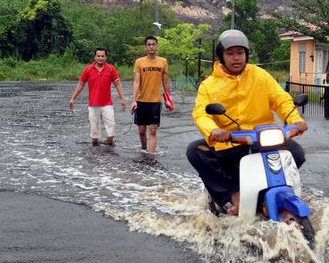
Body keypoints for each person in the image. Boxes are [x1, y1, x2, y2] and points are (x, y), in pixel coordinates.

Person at [186, 29, 308, 215]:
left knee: (296, 153)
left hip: (263, 141)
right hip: (230, 143)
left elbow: (281, 99)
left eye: (240, 53)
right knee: (195, 151)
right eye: (230, 53)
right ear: (222, 56)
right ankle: (231, 195)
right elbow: (201, 114)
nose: (236, 58)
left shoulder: (261, 75)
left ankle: (270, 194)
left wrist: (295, 120)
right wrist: (214, 131)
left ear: (246, 54)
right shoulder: (208, 85)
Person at [69, 47, 126, 146]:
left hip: (107, 103)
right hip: (93, 104)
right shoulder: (88, 69)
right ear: (95, 57)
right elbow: (81, 84)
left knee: (111, 128)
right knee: (94, 133)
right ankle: (95, 152)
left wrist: (122, 98)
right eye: (98, 56)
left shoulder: (111, 68)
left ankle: (109, 146)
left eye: (102, 56)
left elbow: (118, 84)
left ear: (106, 57)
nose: (100, 58)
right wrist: (73, 98)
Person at [130, 35, 171, 153]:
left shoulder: (163, 61)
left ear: (156, 46)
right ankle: (143, 149)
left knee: (153, 131)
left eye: (153, 44)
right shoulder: (139, 62)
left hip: (155, 101)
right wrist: (133, 100)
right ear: (145, 47)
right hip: (141, 100)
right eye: (149, 44)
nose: (151, 47)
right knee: (142, 131)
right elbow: (136, 82)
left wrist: (169, 97)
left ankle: (151, 156)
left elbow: (165, 81)